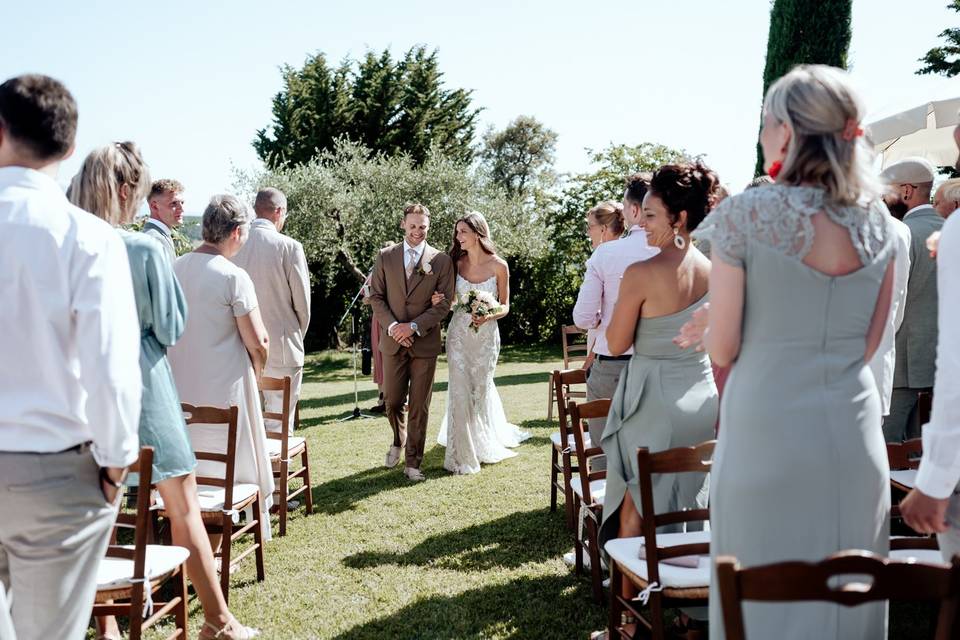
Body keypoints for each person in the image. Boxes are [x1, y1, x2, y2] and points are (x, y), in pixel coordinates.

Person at [678, 64, 895, 639]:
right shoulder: (881, 227)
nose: (760, 135)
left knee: (760, 604)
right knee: (846, 609)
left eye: (765, 121)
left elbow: (723, 346)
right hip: (852, 440)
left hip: (764, 437)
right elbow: (870, 345)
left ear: (786, 132)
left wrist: (720, 323)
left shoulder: (746, 215)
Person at [68, 144, 260, 640]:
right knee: (183, 506)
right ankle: (218, 621)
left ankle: (108, 628)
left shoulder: (64, 245)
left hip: (81, 394)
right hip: (144, 388)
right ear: (128, 192)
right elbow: (171, 327)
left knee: (101, 516)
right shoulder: (142, 250)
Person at [0, 74, 140, 640]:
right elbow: (111, 367)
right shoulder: (89, 237)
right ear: (69, 147)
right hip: (58, 474)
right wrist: (115, 465)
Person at [597, 163, 719, 636]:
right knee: (689, 503)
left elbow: (616, 339)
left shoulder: (642, 273)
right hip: (701, 398)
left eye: (650, 215)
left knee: (634, 505)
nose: (640, 224)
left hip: (651, 399)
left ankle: (628, 624)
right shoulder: (713, 269)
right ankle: (691, 615)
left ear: (680, 218)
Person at [168, 195, 275, 539]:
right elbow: (259, 341)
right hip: (226, 386)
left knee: (194, 461)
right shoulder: (233, 276)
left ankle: (187, 528)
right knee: (231, 459)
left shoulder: (174, 268)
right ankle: (218, 535)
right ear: (237, 232)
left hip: (180, 386)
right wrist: (258, 372)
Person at [900, 123, 960, 559]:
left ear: (905, 192)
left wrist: (936, 479)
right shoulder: (935, 232)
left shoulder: (914, 232)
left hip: (906, 357)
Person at [572, 176, 660, 466]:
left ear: (635, 211)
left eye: (624, 205)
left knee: (606, 454)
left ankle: (607, 509)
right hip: (659, 368)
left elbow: (583, 317)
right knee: (652, 452)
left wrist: (601, 319)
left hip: (612, 368)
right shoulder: (674, 252)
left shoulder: (605, 253)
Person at [435, 211, 530, 474]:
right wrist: (440, 301)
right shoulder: (456, 263)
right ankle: (460, 454)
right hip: (457, 336)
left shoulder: (500, 266)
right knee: (459, 390)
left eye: (463, 232)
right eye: (457, 232)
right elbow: (452, 300)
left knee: (480, 390)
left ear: (477, 233)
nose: (458, 237)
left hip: (486, 338)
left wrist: (487, 314)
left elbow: (506, 306)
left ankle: (481, 442)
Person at [368, 203, 455, 481]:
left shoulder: (441, 261)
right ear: (403, 224)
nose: (418, 231)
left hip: (424, 343)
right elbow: (376, 297)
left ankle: (413, 462)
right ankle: (399, 437)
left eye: (423, 226)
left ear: (428, 227)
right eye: (413, 225)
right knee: (392, 401)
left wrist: (413, 327)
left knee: (420, 405)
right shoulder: (385, 256)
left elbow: (443, 306)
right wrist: (395, 327)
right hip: (393, 341)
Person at [231, 188, 311, 433]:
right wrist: (297, 336)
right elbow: (303, 305)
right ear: (279, 211)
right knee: (279, 424)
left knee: (248, 422)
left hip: (241, 347)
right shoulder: (290, 246)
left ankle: (254, 471)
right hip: (284, 347)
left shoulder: (235, 244)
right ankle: (277, 471)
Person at [882, 157, 944, 442]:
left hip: (903, 362)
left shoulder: (900, 234)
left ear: (906, 191)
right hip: (942, 363)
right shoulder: (950, 229)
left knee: (887, 451)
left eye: (886, 190)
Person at [579, 201, 625, 372]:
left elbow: (600, 320)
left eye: (590, 226)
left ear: (603, 229)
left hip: (605, 353)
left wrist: (589, 363)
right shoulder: (622, 255)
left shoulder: (601, 259)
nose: (588, 232)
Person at [143, 178, 184, 263]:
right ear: (154, 206)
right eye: (173, 203)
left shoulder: (160, 235)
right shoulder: (156, 240)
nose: (181, 209)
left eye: (182, 203)